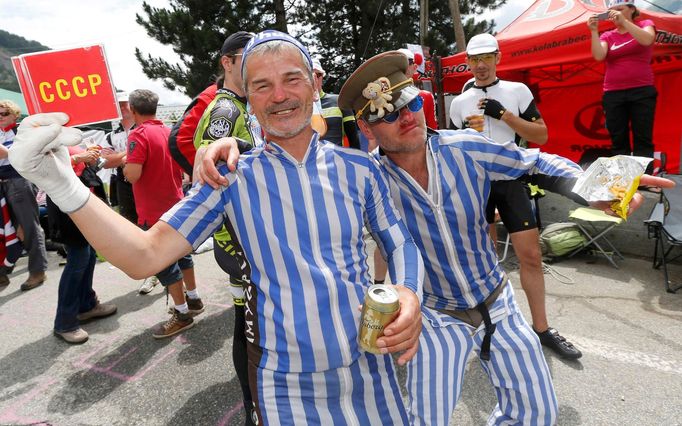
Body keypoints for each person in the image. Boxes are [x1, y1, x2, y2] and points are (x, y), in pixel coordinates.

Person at [9, 30, 423, 424]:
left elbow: (399, 242)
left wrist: (406, 291)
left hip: (372, 366)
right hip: (283, 382)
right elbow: (144, 255)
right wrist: (63, 187)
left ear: (313, 86)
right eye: (261, 85)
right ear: (248, 99)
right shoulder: (230, 176)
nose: (279, 95)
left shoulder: (361, 169)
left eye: (291, 79)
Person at [336, 50, 673, 425]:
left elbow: (536, 163)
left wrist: (601, 184)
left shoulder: (465, 146)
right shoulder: (364, 180)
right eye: (389, 113)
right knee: (425, 420)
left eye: (411, 102)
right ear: (366, 129)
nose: (407, 117)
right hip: (432, 315)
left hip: (496, 301)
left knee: (537, 413)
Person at [449, 33, 582, 359]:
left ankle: (542, 329)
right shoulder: (458, 103)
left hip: (512, 180)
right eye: (474, 59)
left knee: (531, 257)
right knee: (484, 260)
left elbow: (542, 135)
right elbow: (454, 148)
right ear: (467, 62)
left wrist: (504, 115)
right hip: (476, 185)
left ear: (497, 58)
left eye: (486, 58)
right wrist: (468, 133)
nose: (480, 65)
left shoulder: (517, 91)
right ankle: (487, 327)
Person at [192, 30, 257, 425]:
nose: (253, 63)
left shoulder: (243, 104)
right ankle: (253, 407)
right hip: (237, 242)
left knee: (250, 322)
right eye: (244, 56)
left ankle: (256, 403)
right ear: (227, 62)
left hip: (244, 238)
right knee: (250, 326)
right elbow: (211, 174)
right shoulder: (225, 111)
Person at [122, 89, 203, 339]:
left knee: (165, 264)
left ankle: (181, 314)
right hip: (177, 204)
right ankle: (193, 299)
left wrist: (126, 165)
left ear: (133, 111)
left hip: (153, 210)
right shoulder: (168, 130)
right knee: (183, 256)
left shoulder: (138, 134)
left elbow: (133, 174)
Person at [50, 145, 117, 344]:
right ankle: (64, 322)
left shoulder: (65, 134)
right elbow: (42, 166)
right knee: (77, 261)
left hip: (81, 203)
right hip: (67, 207)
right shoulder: (43, 134)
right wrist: (79, 157)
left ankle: (86, 306)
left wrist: (90, 156)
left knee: (87, 257)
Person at [101, 93, 160, 294]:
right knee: (131, 223)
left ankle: (158, 269)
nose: (122, 108)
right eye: (117, 105)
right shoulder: (110, 134)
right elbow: (104, 162)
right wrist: (129, 156)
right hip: (122, 181)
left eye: (125, 104)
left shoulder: (142, 128)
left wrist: (121, 157)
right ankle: (150, 269)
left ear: (133, 106)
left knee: (152, 223)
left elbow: (117, 158)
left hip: (144, 178)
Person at [588, 0, 657, 169]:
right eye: (611, 10)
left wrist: (625, 22)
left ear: (632, 9)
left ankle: (644, 178)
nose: (615, 13)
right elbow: (598, 56)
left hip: (642, 90)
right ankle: (623, 178)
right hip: (613, 93)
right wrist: (594, 31)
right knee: (618, 137)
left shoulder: (645, 24)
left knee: (642, 136)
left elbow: (647, 39)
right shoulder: (608, 36)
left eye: (620, 9)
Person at [0, 100, 48, 290]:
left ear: (15, 115)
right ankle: (3, 272)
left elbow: (13, 154)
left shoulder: (22, 131)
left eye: (4, 113)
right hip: (4, 183)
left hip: (19, 180)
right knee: (7, 229)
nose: (0, 117)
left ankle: (38, 271)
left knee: (29, 227)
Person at [311, 57, 361, 149]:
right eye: (310, 75)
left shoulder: (340, 101)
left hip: (338, 160)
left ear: (322, 76)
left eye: (317, 75)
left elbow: (354, 139)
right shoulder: (299, 107)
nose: (314, 79)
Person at [398, 48, 438, 129]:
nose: (403, 67)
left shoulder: (426, 96)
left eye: (407, 62)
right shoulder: (384, 97)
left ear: (415, 67)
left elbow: (433, 131)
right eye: (398, 63)